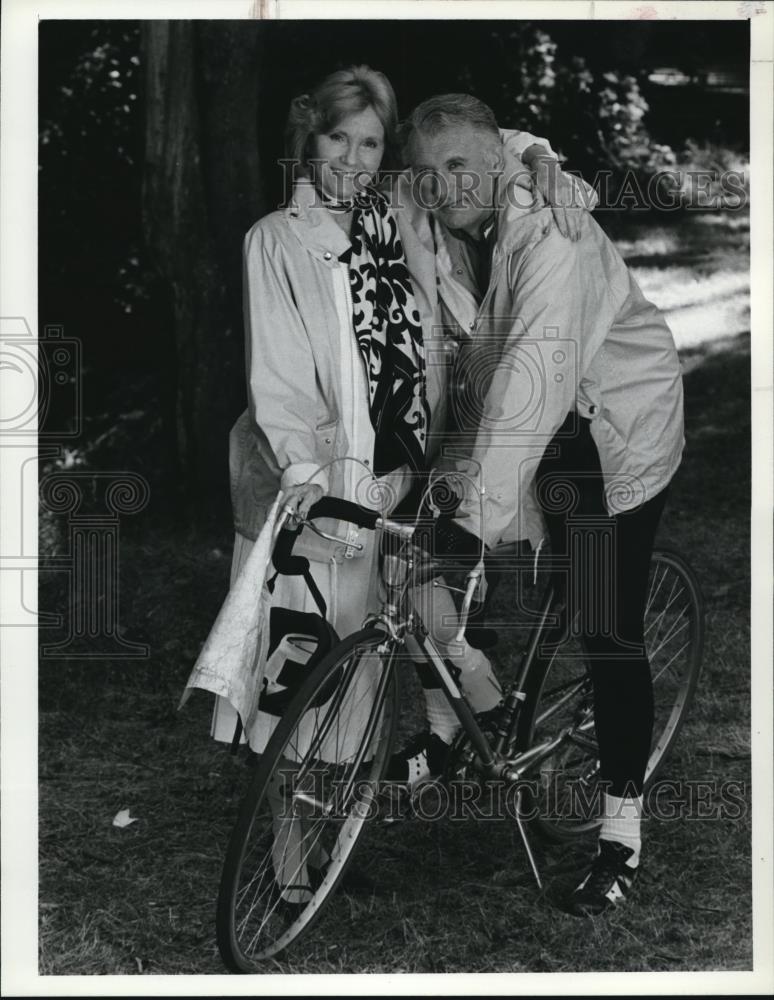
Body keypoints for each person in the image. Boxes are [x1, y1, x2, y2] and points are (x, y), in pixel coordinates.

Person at [395, 93, 684, 917]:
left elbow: (533, 383)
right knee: (413, 545)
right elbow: (488, 144)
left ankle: (621, 833)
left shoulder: (551, 237)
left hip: (608, 417)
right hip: (534, 412)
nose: (442, 184)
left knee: (604, 623)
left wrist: (466, 528)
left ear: (493, 167)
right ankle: (459, 718)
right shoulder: (463, 188)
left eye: (459, 168)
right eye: (427, 172)